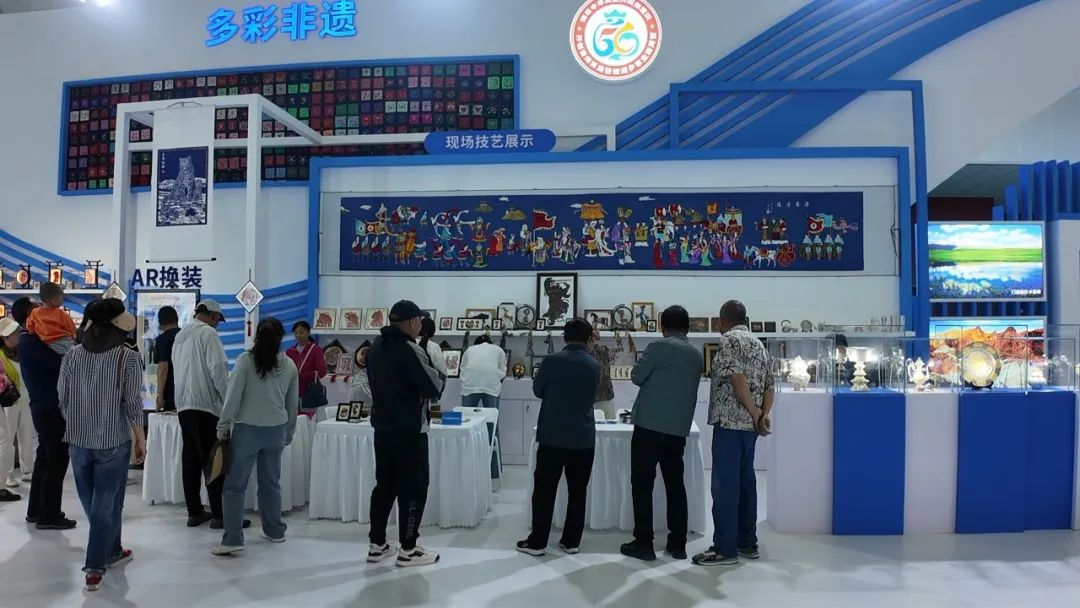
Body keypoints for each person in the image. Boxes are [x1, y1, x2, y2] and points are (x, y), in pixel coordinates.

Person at [56, 298, 147, 592]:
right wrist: (140, 437)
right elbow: (133, 403)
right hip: (113, 443)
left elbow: (62, 398)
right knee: (105, 504)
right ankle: (95, 567)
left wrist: (78, 422)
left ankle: (113, 549)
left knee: (100, 503)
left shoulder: (72, 356)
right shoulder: (128, 357)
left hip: (77, 442)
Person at [693, 300, 774, 567]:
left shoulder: (729, 340)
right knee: (746, 483)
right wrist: (762, 415)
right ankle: (747, 542)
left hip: (730, 423)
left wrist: (753, 411)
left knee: (725, 486)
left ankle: (725, 549)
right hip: (751, 428)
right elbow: (769, 386)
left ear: (722, 321)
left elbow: (736, 378)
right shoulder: (759, 344)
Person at [620, 305, 703, 562]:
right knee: (675, 485)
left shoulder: (657, 347)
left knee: (642, 484)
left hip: (649, 426)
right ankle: (678, 544)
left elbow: (636, 376)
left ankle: (644, 543)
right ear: (687, 327)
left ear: (662, 326)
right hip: (678, 429)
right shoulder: (696, 354)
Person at [365, 300, 443, 567]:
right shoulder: (411, 349)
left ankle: (377, 544)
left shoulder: (375, 347)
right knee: (413, 488)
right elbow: (433, 387)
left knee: (384, 485)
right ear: (412, 322)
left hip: (382, 427)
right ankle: (408, 548)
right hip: (410, 430)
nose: (421, 325)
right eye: (419, 320)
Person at [212, 318, 299, 556]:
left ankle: (233, 539)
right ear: (281, 338)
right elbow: (293, 405)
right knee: (270, 483)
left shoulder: (245, 361)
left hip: (247, 430)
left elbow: (233, 397)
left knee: (234, 486)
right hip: (276, 430)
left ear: (257, 336)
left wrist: (223, 425)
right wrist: (289, 433)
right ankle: (275, 530)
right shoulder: (290, 366)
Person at [517, 318, 601, 557]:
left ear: (565, 336)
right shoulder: (594, 364)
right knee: (578, 491)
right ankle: (571, 541)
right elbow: (594, 395)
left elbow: (538, 390)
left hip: (552, 435)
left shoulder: (551, 361)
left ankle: (538, 543)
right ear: (589, 338)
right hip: (583, 436)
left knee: (544, 489)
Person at [172, 300, 235, 529]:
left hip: (184, 406)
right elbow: (218, 369)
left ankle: (195, 511)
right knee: (214, 459)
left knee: (190, 459)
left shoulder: (180, 336)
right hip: (206, 406)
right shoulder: (209, 333)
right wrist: (228, 402)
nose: (218, 324)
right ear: (213, 316)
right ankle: (219, 515)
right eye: (218, 320)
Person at [16, 297, 76, 530]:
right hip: (49, 407)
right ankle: (48, 516)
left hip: (45, 406)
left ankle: (36, 510)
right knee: (56, 460)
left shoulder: (31, 340)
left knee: (45, 458)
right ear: (31, 314)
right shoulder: (30, 341)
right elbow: (61, 364)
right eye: (40, 308)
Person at [460, 334, 507, 480]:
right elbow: (503, 372)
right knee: (492, 428)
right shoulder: (498, 350)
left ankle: (467, 469)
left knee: (466, 426)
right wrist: (494, 379)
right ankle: (494, 472)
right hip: (491, 386)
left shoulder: (469, 350)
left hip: (469, 386)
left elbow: (462, 368)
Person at [0, 317, 35, 489]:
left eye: (16, 333)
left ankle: (28, 470)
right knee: (7, 439)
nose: (16, 337)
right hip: (9, 401)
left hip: (27, 398)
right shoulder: (1, 356)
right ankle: (7, 475)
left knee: (27, 435)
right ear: (3, 338)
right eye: (11, 335)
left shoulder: (25, 351)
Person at [26, 282, 77, 356]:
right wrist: (73, 337)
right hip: (64, 342)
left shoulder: (34, 312)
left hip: (44, 344)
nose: (63, 300)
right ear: (55, 301)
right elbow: (72, 328)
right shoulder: (61, 313)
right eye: (62, 298)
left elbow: (30, 328)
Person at [285, 321, 327, 403]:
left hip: (310, 391)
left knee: (308, 411)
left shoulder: (315, 349)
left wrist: (305, 375)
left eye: (301, 333)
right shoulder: (290, 352)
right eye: (296, 333)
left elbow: (322, 371)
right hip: (292, 391)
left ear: (308, 333)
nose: (298, 335)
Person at [152, 306, 181, 412]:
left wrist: (159, 394)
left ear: (160, 322)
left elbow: (163, 368)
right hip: (187, 392)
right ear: (176, 319)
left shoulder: (162, 340)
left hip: (171, 394)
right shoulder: (186, 336)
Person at [588, 328, 617, 420]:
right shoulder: (603, 350)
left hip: (598, 397)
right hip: (603, 396)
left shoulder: (602, 350)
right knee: (609, 425)